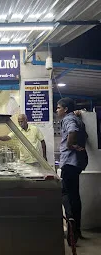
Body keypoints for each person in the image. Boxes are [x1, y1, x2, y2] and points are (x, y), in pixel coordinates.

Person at [57, 98, 88, 245]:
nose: (57, 110)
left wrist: (70, 145)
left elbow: (72, 131)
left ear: (66, 109)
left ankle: (71, 226)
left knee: (65, 193)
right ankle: (77, 230)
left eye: (58, 108)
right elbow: (84, 135)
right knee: (75, 195)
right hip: (78, 162)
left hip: (69, 162)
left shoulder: (68, 119)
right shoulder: (76, 118)